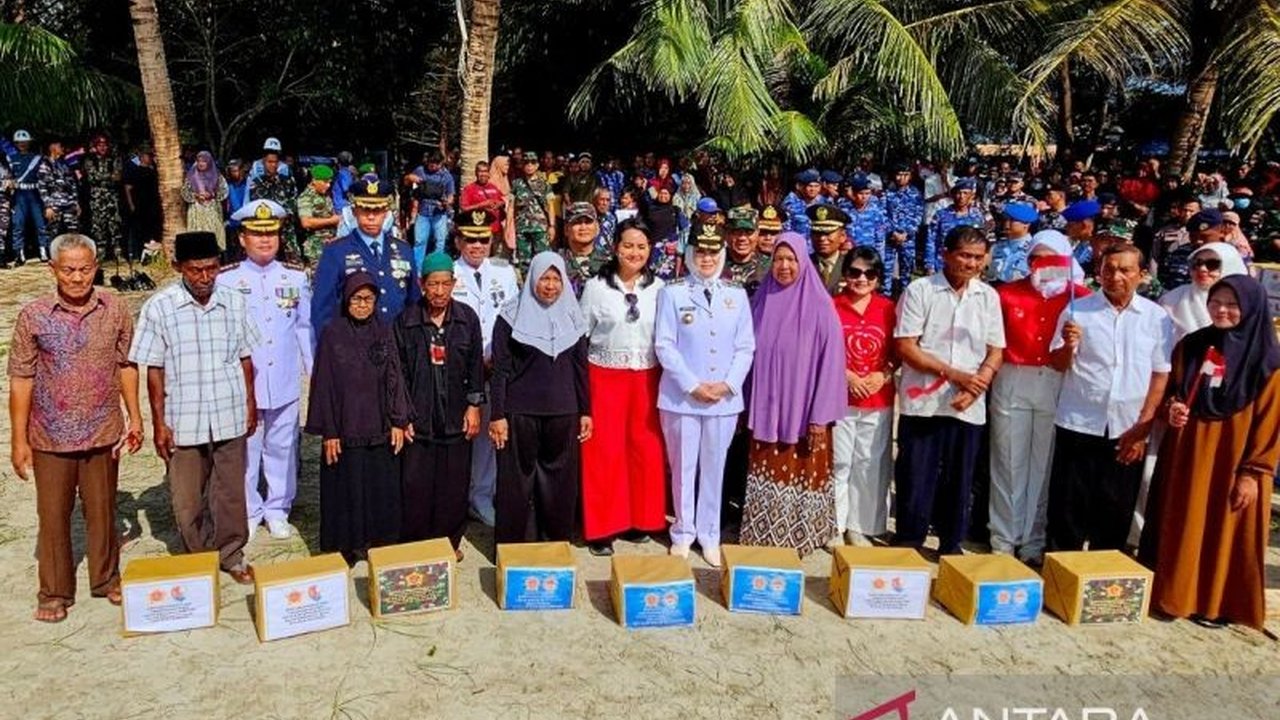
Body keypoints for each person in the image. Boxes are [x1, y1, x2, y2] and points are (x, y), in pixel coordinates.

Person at [8, 234, 142, 622]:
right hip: (50, 435)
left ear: (96, 267)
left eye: (85, 269)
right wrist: (19, 440)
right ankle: (54, 591)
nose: (78, 278)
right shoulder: (33, 316)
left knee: (102, 511)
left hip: (103, 430)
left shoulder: (114, 308)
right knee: (53, 516)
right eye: (68, 270)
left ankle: (105, 578)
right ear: (53, 270)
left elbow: (126, 365)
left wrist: (136, 417)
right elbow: (21, 379)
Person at [1140, 276, 1280, 630]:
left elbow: (1270, 423)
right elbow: (1171, 392)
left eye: (1232, 305)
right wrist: (1172, 407)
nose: (1221, 310)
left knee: (1223, 529)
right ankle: (1175, 596)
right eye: (1216, 302)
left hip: (1234, 460)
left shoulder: (1267, 361)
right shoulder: (1193, 345)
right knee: (1184, 521)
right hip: (1187, 456)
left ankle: (1217, 603)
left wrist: (1253, 472)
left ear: (1250, 309)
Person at [129, 231, 262, 584]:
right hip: (183, 417)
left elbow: (246, 359)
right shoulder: (160, 307)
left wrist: (250, 404)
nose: (204, 278)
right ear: (177, 268)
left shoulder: (234, 301)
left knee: (230, 492)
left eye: (211, 269)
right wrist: (159, 423)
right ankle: (199, 557)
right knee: (187, 499)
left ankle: (231, 553)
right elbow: (153, 370)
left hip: (228, 409)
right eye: (194, 271)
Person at [1046, 244, 1173, 552]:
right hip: (1079, 420)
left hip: (1127, 427)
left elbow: (1160, 375)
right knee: (1069, 504)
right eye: (1108, 269)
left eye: (1125, 270)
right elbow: (1058, 364)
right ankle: (1063, 572)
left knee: (1116, 506)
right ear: (1098, 273)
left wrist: (1143, 427)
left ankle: (1103, 578)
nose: (1115, 276)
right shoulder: (1077, 311)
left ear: (1142, 275)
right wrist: (1067, 345)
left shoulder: (1156, 317)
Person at [893, 225, 1005, 556]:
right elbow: (906, 346)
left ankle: (950, 543)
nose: (970, 264)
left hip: (967, 403)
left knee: (960, 477)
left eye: (977, 258)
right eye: (964, 256)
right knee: (916, 474)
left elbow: (996, 350)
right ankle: (909, 540)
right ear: (946, 254)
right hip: (923, 400)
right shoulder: (920, 290)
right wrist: (956, 375)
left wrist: (976, 386)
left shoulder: (988, 296)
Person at [738, 233, 845, 557]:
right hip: (768, 409)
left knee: (802, 471)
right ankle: (763, 534)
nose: (784, 266)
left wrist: (820, 416)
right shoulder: (762, 300)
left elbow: (831, 364)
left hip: (805, 412)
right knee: (764, 470)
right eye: (778, 259)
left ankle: (799, 536)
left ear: (803, 262)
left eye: (791, 259)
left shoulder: (820, 306)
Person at [655, 224, 754, 566]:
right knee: (682, 466)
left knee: (715, 467)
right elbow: (664, 344)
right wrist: (693, 385)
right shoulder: (673, 292)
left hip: (723, 399)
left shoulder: (736, 294)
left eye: (713, 252)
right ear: (690, 254)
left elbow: (745, 347)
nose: (707, 258)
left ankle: (709, 535)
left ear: (722, 254)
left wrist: (727, 384)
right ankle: (683, 531)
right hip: (682, 398)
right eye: (701, 251)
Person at [988, 232, 1090, 564]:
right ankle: (1003, 537)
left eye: (1052, 260)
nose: (1043, 267)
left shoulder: (1082, 298)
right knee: (1007, 461)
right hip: (1013, 377)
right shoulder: (1007, 294)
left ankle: (1033, 540)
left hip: (1055, 380)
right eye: (1036, 259)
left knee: (1043, 465)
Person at [218, 200, 314, 540]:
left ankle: (277, 508)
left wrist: (312, 370)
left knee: (283, 446)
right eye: (257, 234)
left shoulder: (296, 277)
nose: (264, 240)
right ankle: (249, 509)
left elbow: (304, 328)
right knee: (248, 449)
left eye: (271, 233)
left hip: (284, 379)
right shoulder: (227, 281)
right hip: (245, 384)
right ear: (242, 238)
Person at [306, 271, 411, 566]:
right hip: (345, 426)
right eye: (357, 298)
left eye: (369, 299)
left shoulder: (384, 331)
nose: (363, 305)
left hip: (379, 425)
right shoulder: (333, 333)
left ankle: (378, 544)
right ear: (346, 299)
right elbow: (323, 383)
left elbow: (395, 378)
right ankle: (347, 547)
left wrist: (399, 421)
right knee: (347, 488)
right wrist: (330, 431)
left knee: (380, 487)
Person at [578, 219, 668, 556]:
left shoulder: (661, 288)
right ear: (615, 247)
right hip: (604, 376)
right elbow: (581, 336)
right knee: (604, 451)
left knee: (644, 449)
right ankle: (602, 526)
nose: (635, 252)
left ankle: (639, 520)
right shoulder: (596, 287)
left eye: (641, 246)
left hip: (647, 377)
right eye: (628, 245)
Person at [489, 252, 592, 545]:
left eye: (556, 279)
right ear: (533, 277)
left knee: (559, 483)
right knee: (516, 483)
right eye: (544, 278)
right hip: (520, 412)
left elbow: (580, 367)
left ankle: (554, 547)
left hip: (564, 412)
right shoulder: (510, 315)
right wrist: (497, 414)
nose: (550, 286)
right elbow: (500, 370)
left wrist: (586, 410)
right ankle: (513, 549)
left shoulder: (573, 315)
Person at [394, 253, 485, 558]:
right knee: (416, 484)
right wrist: (402, 416)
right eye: (433, 284)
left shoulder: (467, 319)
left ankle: (450, 542)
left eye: (446, 284)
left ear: (453, 284)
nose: (440, 291)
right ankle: (418, 544)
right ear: (422, 285)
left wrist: (474, 407)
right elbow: (398, 375)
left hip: (456, 417)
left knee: (454, 485)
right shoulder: (405, 322)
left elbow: (475, 367)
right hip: (419, 419)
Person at [448, 208, 519, 528]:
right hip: (459, 369)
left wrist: (498, 358)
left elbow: (513, 318)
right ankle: (459, 496)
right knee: (461, 435)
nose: (476, 246)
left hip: (496, 366)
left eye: (483, 239)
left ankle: (482, 495)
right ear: (458, 240)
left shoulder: (504, 273)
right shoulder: (448, 273)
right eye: (470, 239)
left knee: (491, 435)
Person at [830, 247, 897, 546]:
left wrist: (882, 375)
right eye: (855, 272)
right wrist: (846, 376)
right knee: (840, 462)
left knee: (870, 463)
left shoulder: (889, 309)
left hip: (877, 398)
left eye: (869, 274)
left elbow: (900, 351)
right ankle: (834, 524)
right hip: (839, 397)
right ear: (845, 275)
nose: (861, 278)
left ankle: (861, 525)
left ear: (878, 278)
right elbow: (822, 350)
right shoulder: (832, 306)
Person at [311, 178, 420, 335]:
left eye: (377, 210)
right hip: (354, 344)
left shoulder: (403, 250)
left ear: (386, 212)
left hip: (398, 344)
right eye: (365, 210)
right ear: (354, 212)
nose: (371, 217)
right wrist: (333, 349)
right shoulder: (336, 251)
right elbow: (322, 307)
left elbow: (413, 302)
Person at [1158, 242, 1248, 342]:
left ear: (1230, 267)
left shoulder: (1246, 300)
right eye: (1197, 264)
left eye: (1212, 264)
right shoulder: (1172, 300)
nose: (1202, 269)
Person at [925, 178, 987, 274]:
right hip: (943, 265)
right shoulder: (941, 215)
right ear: (953, 195)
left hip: (968, 265)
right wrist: (929, 265)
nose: (961, 197)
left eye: (965, 193)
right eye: (958, 193)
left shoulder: (977, 216)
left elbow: (981, 242)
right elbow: (931, 240)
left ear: (971, 196)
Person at [249, 149, 299, 262]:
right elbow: (256, 206)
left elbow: (293, 200)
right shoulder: (256, 183)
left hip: (287, 230)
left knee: (294, 264)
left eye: (275, 162)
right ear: (263, 162)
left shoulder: (287, 181)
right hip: (267, 231)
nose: (273, 165)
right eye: (269, 162)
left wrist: (284, 215)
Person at [511, 153, 556, 275]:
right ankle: (527, 287)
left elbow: (550, 206)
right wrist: (510, 227)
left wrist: (552, 226)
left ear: (537, 165)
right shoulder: (516, 184)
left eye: (532, 163)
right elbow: (512, 207)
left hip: (540, 228)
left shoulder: (544, 184)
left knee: (543, 259)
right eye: (526, 163)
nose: (529, 166)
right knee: (524, 262)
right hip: (522, 228)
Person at [81, 134, 124, 260]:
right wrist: (109, 176)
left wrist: (104, 176)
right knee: (98, 226)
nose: (103, 147)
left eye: (105, 145)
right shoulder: (90, 160)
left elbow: (118, 177)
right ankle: (101, 253)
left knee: (115, 224)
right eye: (100, 145)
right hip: (97, 198)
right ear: (95, 147)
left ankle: (118, 252)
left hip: (112, 197)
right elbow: (91, 177)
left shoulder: (114, 159)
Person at [883, 163, 924, 292]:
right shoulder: (888, 193)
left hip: (908, 238)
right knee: (886, 269)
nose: (901, 178)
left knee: (906, 269)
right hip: (890, 237)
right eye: (899, 174)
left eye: (905, 175)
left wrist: (907, 233)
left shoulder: (916, 194)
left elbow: (918, 215)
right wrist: (892, 232)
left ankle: (905, 297)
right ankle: (886, 295)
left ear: (910, 176)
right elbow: (883, 214)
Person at [408, 151, 456, 262]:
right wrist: (411, 177)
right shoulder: (421, 170)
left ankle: (437, 266)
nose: (432, 166)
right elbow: (407, 180)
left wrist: (446, 203)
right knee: (420, 241)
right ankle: (418, 269)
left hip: (439, 213)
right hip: (423, 212)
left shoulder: (447, 176)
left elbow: (451, 195)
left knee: (440, 241)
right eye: (430, 163)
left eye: (436, 164)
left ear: (441, 163)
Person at [8, 130, 48, 262]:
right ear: (16, 144)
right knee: (18, 224)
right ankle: (19, 253)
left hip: (34, 193)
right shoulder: (11, 159)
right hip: (19, 194)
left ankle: (43, 250)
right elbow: (8, 176)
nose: (22, 144)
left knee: (40, 223)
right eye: (19, 142)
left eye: (24, 142)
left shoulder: (37, 158)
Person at [559, 202, 611, 297]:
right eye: (577, 222)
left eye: (588, 222)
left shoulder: (611, 262)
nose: (583, 227)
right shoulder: (557, 262)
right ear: (566, 229)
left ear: (597, 228)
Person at [181, 151, 229, 250]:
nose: (201, 164)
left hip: (212, 210)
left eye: (204, 161)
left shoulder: (217, 176)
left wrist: (212, 194)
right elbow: (184, 192)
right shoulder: (192, 176)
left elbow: (224, 191)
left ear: (209, 162)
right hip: (196, 211)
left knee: (213, 238)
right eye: (199, 161)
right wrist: (196, 196)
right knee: (197, 239)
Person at [297, 164, 341, 265]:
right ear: (314, 180)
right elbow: (306, 222)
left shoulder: (325, 195)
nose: (328, 185)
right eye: (325, 182)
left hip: (330, 244)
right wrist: (332, 220)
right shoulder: (306, 197)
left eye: (329, 182)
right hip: (316, 249)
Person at [985, 202, 1038, 285]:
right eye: (1005, 219)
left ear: (1026, 224)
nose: (1006, 224)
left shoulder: (1034, 249)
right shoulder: (997, 246)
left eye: (1012, 220)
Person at [721, 206, 770, 297]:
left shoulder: (769, 267)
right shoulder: (715, 265)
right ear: (726, 234)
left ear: (757, 233)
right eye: (736, 232)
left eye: (748, 232)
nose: (742, 238)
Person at [37, 140, 80, 239]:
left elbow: (72, 184)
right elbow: (42, 187)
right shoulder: (45, 165)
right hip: (54, 205)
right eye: (60, 146)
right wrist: (48, 206)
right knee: (53, 232)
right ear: (52, 148)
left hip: (69, 203)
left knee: (73, 231)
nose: (62, 148)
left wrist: (75, 202)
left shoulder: (65, 164)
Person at [809, 204, 851, 295]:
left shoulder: (851, 266)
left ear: (842, 236)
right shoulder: (803, 265)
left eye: (828, 233)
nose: (822, 238)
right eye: (817, 233)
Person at [460, 160, 506, 240]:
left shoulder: (494, 187)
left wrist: (500, 203)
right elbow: (464, 208)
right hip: (479, 230)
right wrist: (481, 205)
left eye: (485, 171)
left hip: (496, 230)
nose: (483, 174)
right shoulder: (469, 189)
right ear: (476, 173)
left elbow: (504, 201)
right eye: (480, 171)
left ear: (489, 173)